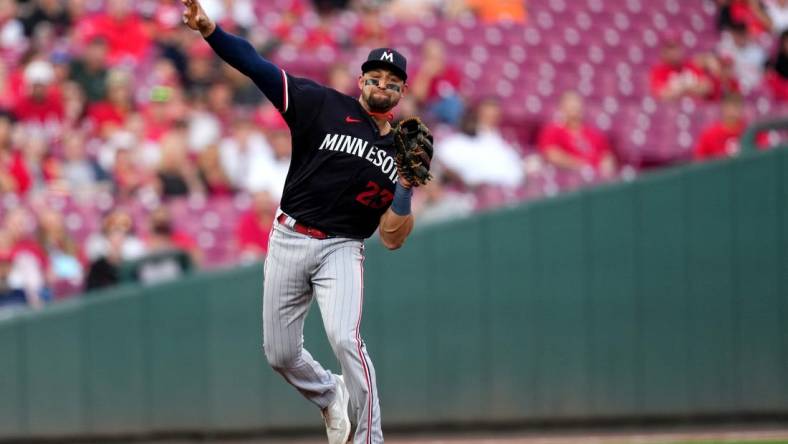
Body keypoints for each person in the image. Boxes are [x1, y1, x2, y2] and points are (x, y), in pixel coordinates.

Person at [183, 0, 423, 442]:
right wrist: (211, 30)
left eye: (392, 81)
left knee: (346, 339)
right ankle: (330, 394)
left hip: (343, 246)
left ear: (401, 93)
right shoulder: (321, 104)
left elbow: (392, 238)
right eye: (375, 77)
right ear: (361, 82)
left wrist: (406, 187)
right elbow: (257, 66)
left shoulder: (404, 152)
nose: (381, 84)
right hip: (289, 235)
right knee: (280, 354)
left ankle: (370, 438)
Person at [537, 91, 616, 177]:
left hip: (598, 179)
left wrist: (605, 168)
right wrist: (581, 166)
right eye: (570, 104)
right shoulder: (552, 130)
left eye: (577, 103)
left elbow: (607, 155)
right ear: (561, 108)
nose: (575, 107)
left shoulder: (594, 133)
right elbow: (551, 155)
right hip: (570, 177)